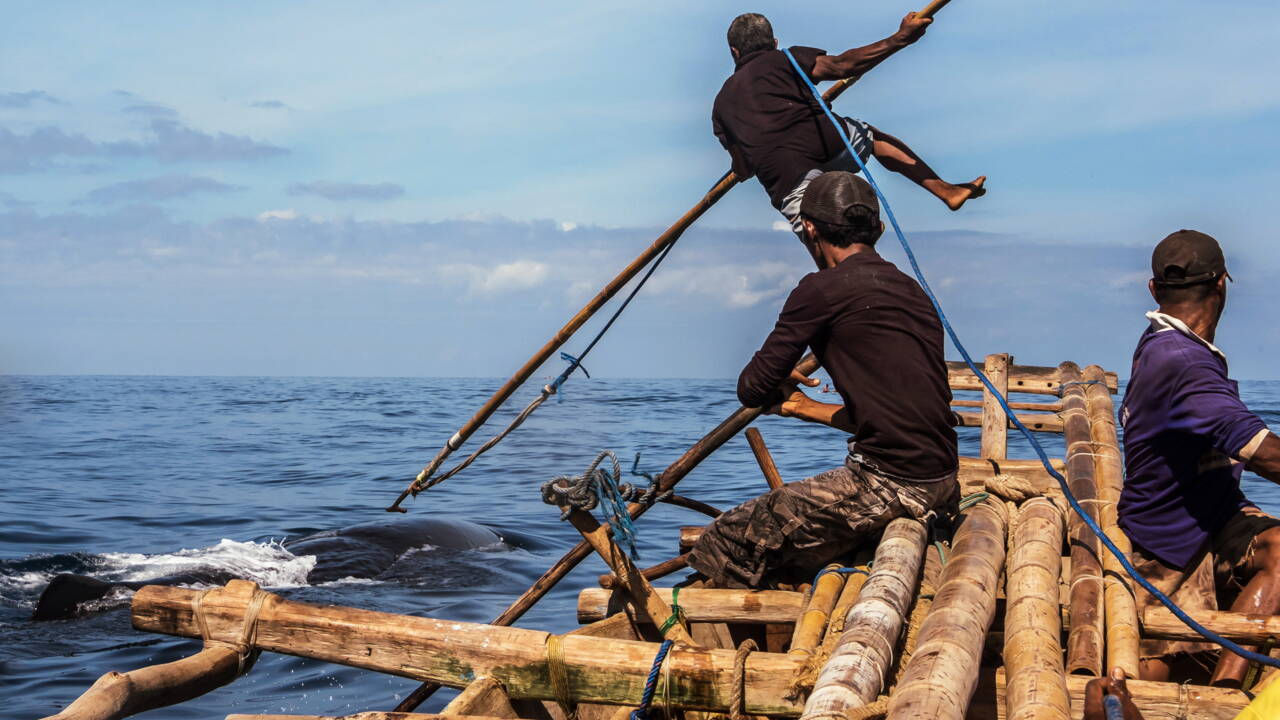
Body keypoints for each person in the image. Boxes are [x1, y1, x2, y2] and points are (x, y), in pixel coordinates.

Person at [686, 171, 959, 588]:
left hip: (887, 484)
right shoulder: (910, 291)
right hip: (941, 476)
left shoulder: (821, 290)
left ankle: (729, 635)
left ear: (809, 228)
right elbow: (899, 416)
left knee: (724, 538)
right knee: (782, 536)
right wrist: (801, 406)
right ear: (878, 230)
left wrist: (779, 373)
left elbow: (753, 389)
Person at [1119, 229, 1280, 687]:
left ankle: (1223, 674)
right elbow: (1267, 455)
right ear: (1222, 284)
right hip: (1171, 542)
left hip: (1211, 512)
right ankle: (1225, 693)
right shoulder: (1183, 363)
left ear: (1153, 289)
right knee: (1159, 673)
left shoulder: (1163, 343)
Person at [712, 12, 985, 268]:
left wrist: (745, 160)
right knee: (872, 138)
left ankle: (836, 280)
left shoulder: (721, 105)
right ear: (774, 42)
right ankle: (945, 190)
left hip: (786, 173)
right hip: (827, 141)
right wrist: (899, 38)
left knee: (821, 245)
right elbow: (843, 65)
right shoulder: (787, 59)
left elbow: (744, 168)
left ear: (734, 53)